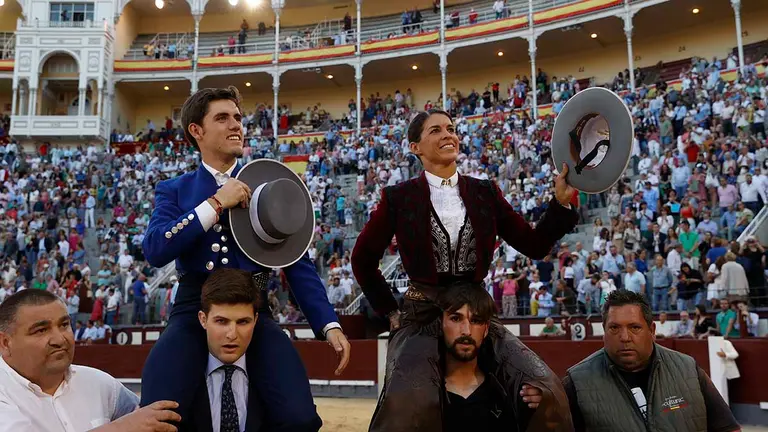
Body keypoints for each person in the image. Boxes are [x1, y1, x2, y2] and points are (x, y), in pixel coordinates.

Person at [352, 109, 577, 431]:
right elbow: (362, 259)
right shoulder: (398, 197)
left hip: (477, 312)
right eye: (436, 131)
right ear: (415, 147)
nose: (448, 135)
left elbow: (534, 245)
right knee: (406, 407)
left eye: (451, 129)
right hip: (422, 315)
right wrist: (390, 310)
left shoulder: (485, 191)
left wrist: (560, 205)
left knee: (546, 388)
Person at [140, 86, 350, 431]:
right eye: (222, 118)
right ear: (197, 131)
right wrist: (215, 203)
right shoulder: (175, 189)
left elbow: (297, 262)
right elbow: (155, 250)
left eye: (238, 117)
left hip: (255, 311)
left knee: (300, 417)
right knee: (158, 414)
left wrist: (328, 324)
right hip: (195, 310)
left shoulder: (268, 183)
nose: (236, 125)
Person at [0, 289, 181, 431]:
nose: (59, 339)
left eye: (64, 325)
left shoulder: (100, 384)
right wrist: (121, 428)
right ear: (5, 343)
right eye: (41, 330)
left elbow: (145, 419)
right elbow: (133, 424)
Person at [563, 290, 741, 432]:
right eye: (614, 328)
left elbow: (728, 428)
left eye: (635, 327)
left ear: (652, 330)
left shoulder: (688, 369)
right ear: (604, 331)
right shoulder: (577, 382)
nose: (625, 337)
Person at [439, 285, 545, 431]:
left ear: (486, 328)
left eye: (475, 320)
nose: (466, 331)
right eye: (456, 318)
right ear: (441, 324)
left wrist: (543, 409)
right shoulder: (422, 394)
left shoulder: (511, 393)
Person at [182, 268, 262, 431]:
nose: (232, 334)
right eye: (221, 321)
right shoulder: (181, 377)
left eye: (243, 322)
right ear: (203, 320)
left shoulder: (274, 379)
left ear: (256, 320)